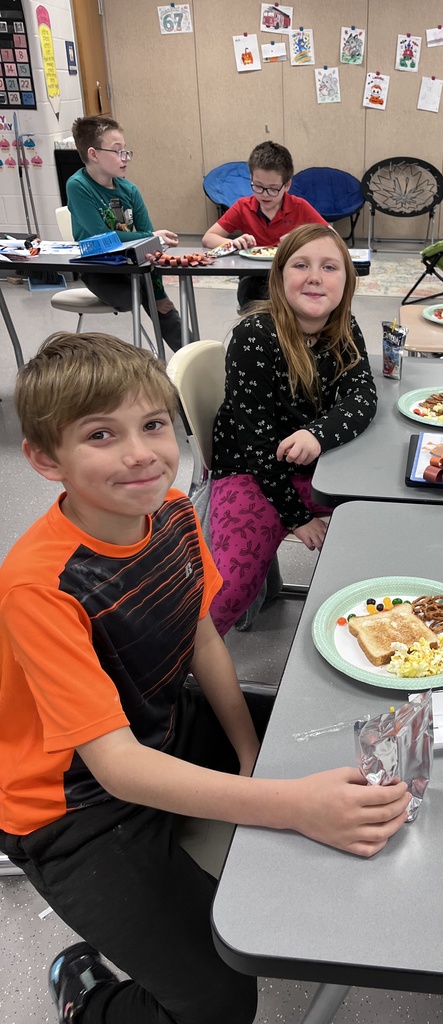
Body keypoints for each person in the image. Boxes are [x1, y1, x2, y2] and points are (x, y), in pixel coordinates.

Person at [0, 332, 408, 1024]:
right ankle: (88, 998)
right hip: (73, 807)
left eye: (153, 425)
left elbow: (199, 635)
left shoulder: (175, 513)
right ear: (44, 459)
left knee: (332, 734)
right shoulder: (39, 587)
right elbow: (119, 769)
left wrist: (252, 754)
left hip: (158, 726)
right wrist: (290, 804)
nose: (140, 453)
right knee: (218, 1001)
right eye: (102, 434)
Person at [209, 223, 377, 636]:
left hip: (319, 466)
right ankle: (178, 666)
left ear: (346, 281)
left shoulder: (344, 327)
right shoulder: (254, 336)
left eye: (329, 267)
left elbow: (362, 397)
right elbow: (256, 445)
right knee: (227, 590)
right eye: (301, 265)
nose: (315, 277)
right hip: (252, 470)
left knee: (386, 529)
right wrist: (298, 519)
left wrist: (318, 434)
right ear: (280, 275)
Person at [67, 116, 183, 353]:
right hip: (99, 268)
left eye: (126, 151)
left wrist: (160, 293)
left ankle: (195, 359)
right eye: (117, 151)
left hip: (134, 266)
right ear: (93, 154)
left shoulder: (129, 190)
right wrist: (150, 235)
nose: (125, 158)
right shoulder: (78, 186)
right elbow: (103, 238)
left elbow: (151, 245)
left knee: (159, 301)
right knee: (138, 291)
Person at [202, 141, 326, 309]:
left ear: (287, 185)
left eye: (273, 189)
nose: (265, 195)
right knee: (251, 294)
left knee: (297, 299)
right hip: (253, 277)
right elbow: (208, 238)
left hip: (289, 275)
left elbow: (329, 235)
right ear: (251, 179)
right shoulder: (243, 207)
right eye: (258, 187)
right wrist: (233, 244)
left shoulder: (299, 207)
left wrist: (299, 239)